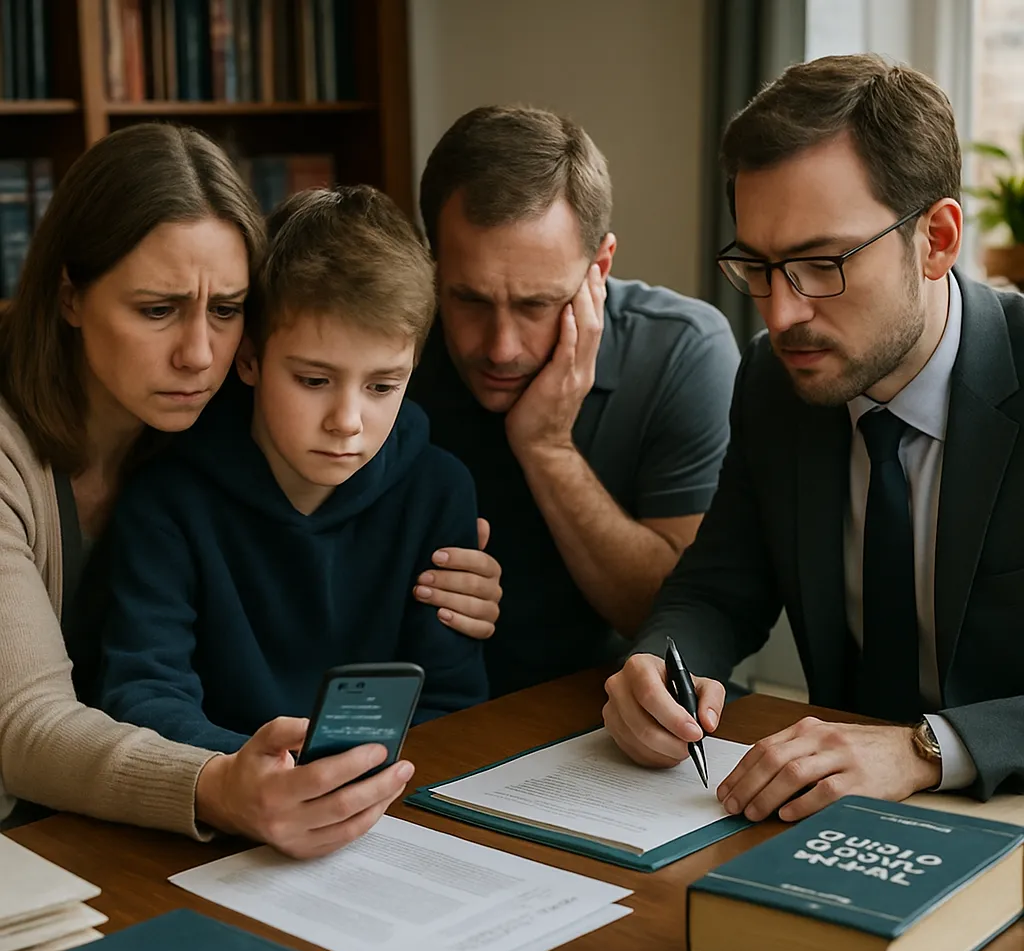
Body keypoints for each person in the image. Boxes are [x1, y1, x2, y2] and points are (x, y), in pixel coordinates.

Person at [0, 124, 498, 858]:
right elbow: (28, 721)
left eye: (227, 309)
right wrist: (226, 782)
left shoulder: (221, 421)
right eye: (156, 309)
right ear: (71, 294)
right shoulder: (160, 482)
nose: (200, 354)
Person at [603, 54, 1024, 820]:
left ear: (936, 238)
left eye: (820, 263)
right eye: (758, 267)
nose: (780, 313)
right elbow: (717, 587)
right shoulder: (776, 381)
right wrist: (658, 666)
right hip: (838, 812)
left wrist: (927, 748)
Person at [99, 185, 487, 751]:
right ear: (250, 357)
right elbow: (143, 695)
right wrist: (258, 776)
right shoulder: (168, 499)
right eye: (313, 380)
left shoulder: (438, 490)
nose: (347, 421)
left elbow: (451, 702)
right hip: (218, 802)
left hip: (384, 803)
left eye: (383, 385)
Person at [408, 105, 740, 695]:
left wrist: (546, 446)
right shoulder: (391, 348)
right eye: (470, 301)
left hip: (610, 717)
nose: (501, 348)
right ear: (431, 267)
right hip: (431, 709)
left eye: (537, 304)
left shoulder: (681, 353)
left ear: (600, 268)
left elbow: (671, 620)